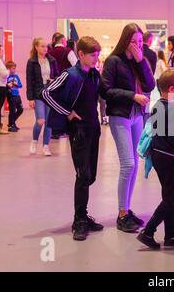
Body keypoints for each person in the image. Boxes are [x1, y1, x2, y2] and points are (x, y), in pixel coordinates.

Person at [42, 36, 104, 241]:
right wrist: (67, 112)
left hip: (94, 128)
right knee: (83, 174)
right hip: (79, 131)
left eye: (97, 54)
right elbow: (47, 93)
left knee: (91, 175)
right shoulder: (70, 74)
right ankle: (79, 220)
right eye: (92, 55)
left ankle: (84, 215)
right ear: (81, 55)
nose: (96, 58)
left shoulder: (94, 75)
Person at [100, 23, 155, 233]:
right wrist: (132, 95)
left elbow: (150, 85)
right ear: (125, 41)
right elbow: (105, 90)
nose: (137, 46)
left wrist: (141, 61)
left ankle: (127, 209)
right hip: (120, 116)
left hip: (137, 116)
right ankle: (122, 213)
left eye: (140, 42)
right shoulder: (114, 61)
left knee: (134, 165)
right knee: (128, 165)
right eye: (134, 42)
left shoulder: (141, 61)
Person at [136, 69, 174, 249]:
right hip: (170, 159)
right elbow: (173, 138)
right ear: (171, 89)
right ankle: (148, 232)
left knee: (168, 195)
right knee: (170, 198)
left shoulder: (158, 105)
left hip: (158, 156)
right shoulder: (171, 109)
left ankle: (171, 234)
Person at [26, 38, 58, 156]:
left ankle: (46, 146)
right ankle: (34, 141)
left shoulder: (52, 60)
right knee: (40, 120)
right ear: (36, 47)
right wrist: (30, 98)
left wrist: (53, 79)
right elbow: (29, 81)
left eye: (46, 46)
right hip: (38, 93)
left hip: (50, 93)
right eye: (42, 46)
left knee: (49, 122)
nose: (45, 49)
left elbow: (57, 76)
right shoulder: (32, 62)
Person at [5, 61, 23, 132]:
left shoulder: (16, 76)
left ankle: (11, 122)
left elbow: (20, 85)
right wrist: (8, 85)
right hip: (11, 96)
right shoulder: (6, 77)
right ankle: (11, 125)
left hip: (17, 95)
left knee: (20, 109)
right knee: (12, 111)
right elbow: (4, 85)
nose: (14, 70)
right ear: (8, 69)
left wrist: (16, 84)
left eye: (15, 68)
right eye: (13, 68)